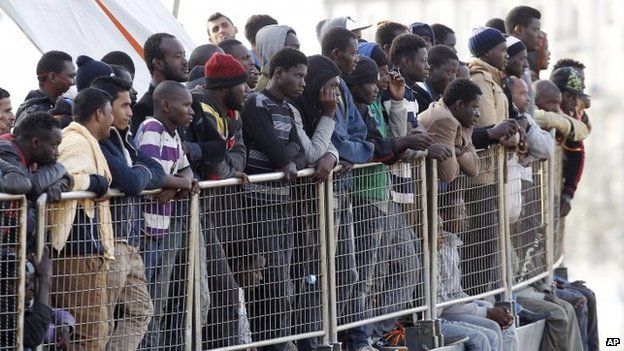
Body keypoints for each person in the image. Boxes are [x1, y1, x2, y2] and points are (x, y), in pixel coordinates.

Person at [240, 47, 307, 350]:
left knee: (286, 276)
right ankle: (273, 344)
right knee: (275, 280)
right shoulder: (257, 103)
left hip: (282, 200)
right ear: (278, 73)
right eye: (297, 75)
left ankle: (281, 339)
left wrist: (288, 159)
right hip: (259, 201)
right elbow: (276, 151)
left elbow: (299, 154)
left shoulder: (287, 108)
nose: (302, 83)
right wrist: (286, 159)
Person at [92, 76, 165, 351]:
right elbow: (133, 183)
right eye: (124, 106)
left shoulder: (125, 140)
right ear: (105, 109)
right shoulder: (99, 143)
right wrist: (141, 174)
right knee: (102, 321)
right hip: (111, 245)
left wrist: (140, 172)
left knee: (141, 311)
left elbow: (156, 171)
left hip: (131, 244)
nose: (130, 112)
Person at [185, 52, 248, 348]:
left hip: (213, 211)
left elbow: (238, 154)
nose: (247, 90)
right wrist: (230, 167)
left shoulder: (232, 112)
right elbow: (215, 166)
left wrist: (231, 166)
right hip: (192, 212)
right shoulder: (201, 106)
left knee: (222, 292)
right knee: (213, 294)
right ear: (225, 88)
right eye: (242, 85)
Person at [133, 81, 197, 349]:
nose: (191, 111)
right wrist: (179, 184)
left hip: (162, 228)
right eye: (186, 105)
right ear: (166, 105)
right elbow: (154, 178)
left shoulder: (174, 134)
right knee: (143, 304)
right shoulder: (152, 129)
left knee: (157, 298)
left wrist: (178, 184)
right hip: (146, 231)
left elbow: (187, 171)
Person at [51, 87, 115, 351]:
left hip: (85, 257)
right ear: (99, 113)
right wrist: (94, 182)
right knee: (88, 340)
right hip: (76, 258)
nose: (114, 118)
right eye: (111, 112)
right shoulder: (76, 141)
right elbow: (63, 178)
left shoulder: (87, 141)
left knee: (92, 336)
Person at [0, 111, 70, 244]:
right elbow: (30, 184)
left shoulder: (34, 161)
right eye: (54, 145)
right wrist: (60, 168)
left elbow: (68, 179)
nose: (57, 153)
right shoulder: (5, 149)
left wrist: (56, 184)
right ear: (36, 143)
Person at [419, 78, 481, 183]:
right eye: (474, 107)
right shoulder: (445, 120)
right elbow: (449, 174)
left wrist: (457, 149)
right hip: (420, 194)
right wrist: (460, 151)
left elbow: (475, 168)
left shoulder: (449, 114)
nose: (478, 114)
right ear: (459, 105)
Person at [550, 67, 591, 217]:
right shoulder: (544, 112)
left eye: (576, 98)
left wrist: (568, 193)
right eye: (570, 97)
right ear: (557, 93)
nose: (575, 104)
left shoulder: (571, 119)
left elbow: (578, 153)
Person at [131, 33, 189, 134]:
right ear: (158, 63)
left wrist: (189, 147)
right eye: (178, 56)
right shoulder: (144, 108)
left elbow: (218, 143)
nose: (185, 61)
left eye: (184, 55)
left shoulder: (191, 99)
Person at [0, 248, 53, 349]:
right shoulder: (4, 311)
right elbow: (33, 334)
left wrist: (65, 328)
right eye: (22, 283)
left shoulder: (26, 305)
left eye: (33, 280)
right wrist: (44, 279)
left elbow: (55, 315)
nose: (31, 287)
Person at [15, 51, 76, 125]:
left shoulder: (63, 105)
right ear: (52, 77)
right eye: (71, 76)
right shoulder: (32, 115)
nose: (73, 82)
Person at [506, 6, 543, 115]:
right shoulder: (511, 65)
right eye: (536, 30)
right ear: (519, 30)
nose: (540, 35)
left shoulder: (524, 64)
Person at [388, 33, 430, 128]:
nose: (428, 66)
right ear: (406, 62)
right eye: (423, 61)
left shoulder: (410, 90)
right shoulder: (392, 89)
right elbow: (404, 133)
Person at [413, 45, 459, 114]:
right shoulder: (417, 95)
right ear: (431, 70)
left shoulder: (437, 100)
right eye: (450, 72)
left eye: (455, 73)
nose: (454, 79)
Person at [254, 25, 301, 91]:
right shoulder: (261, 94)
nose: (298, 54)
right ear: (272, 50)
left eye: (297, 48)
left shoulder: (299, 84)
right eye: (292, 49)